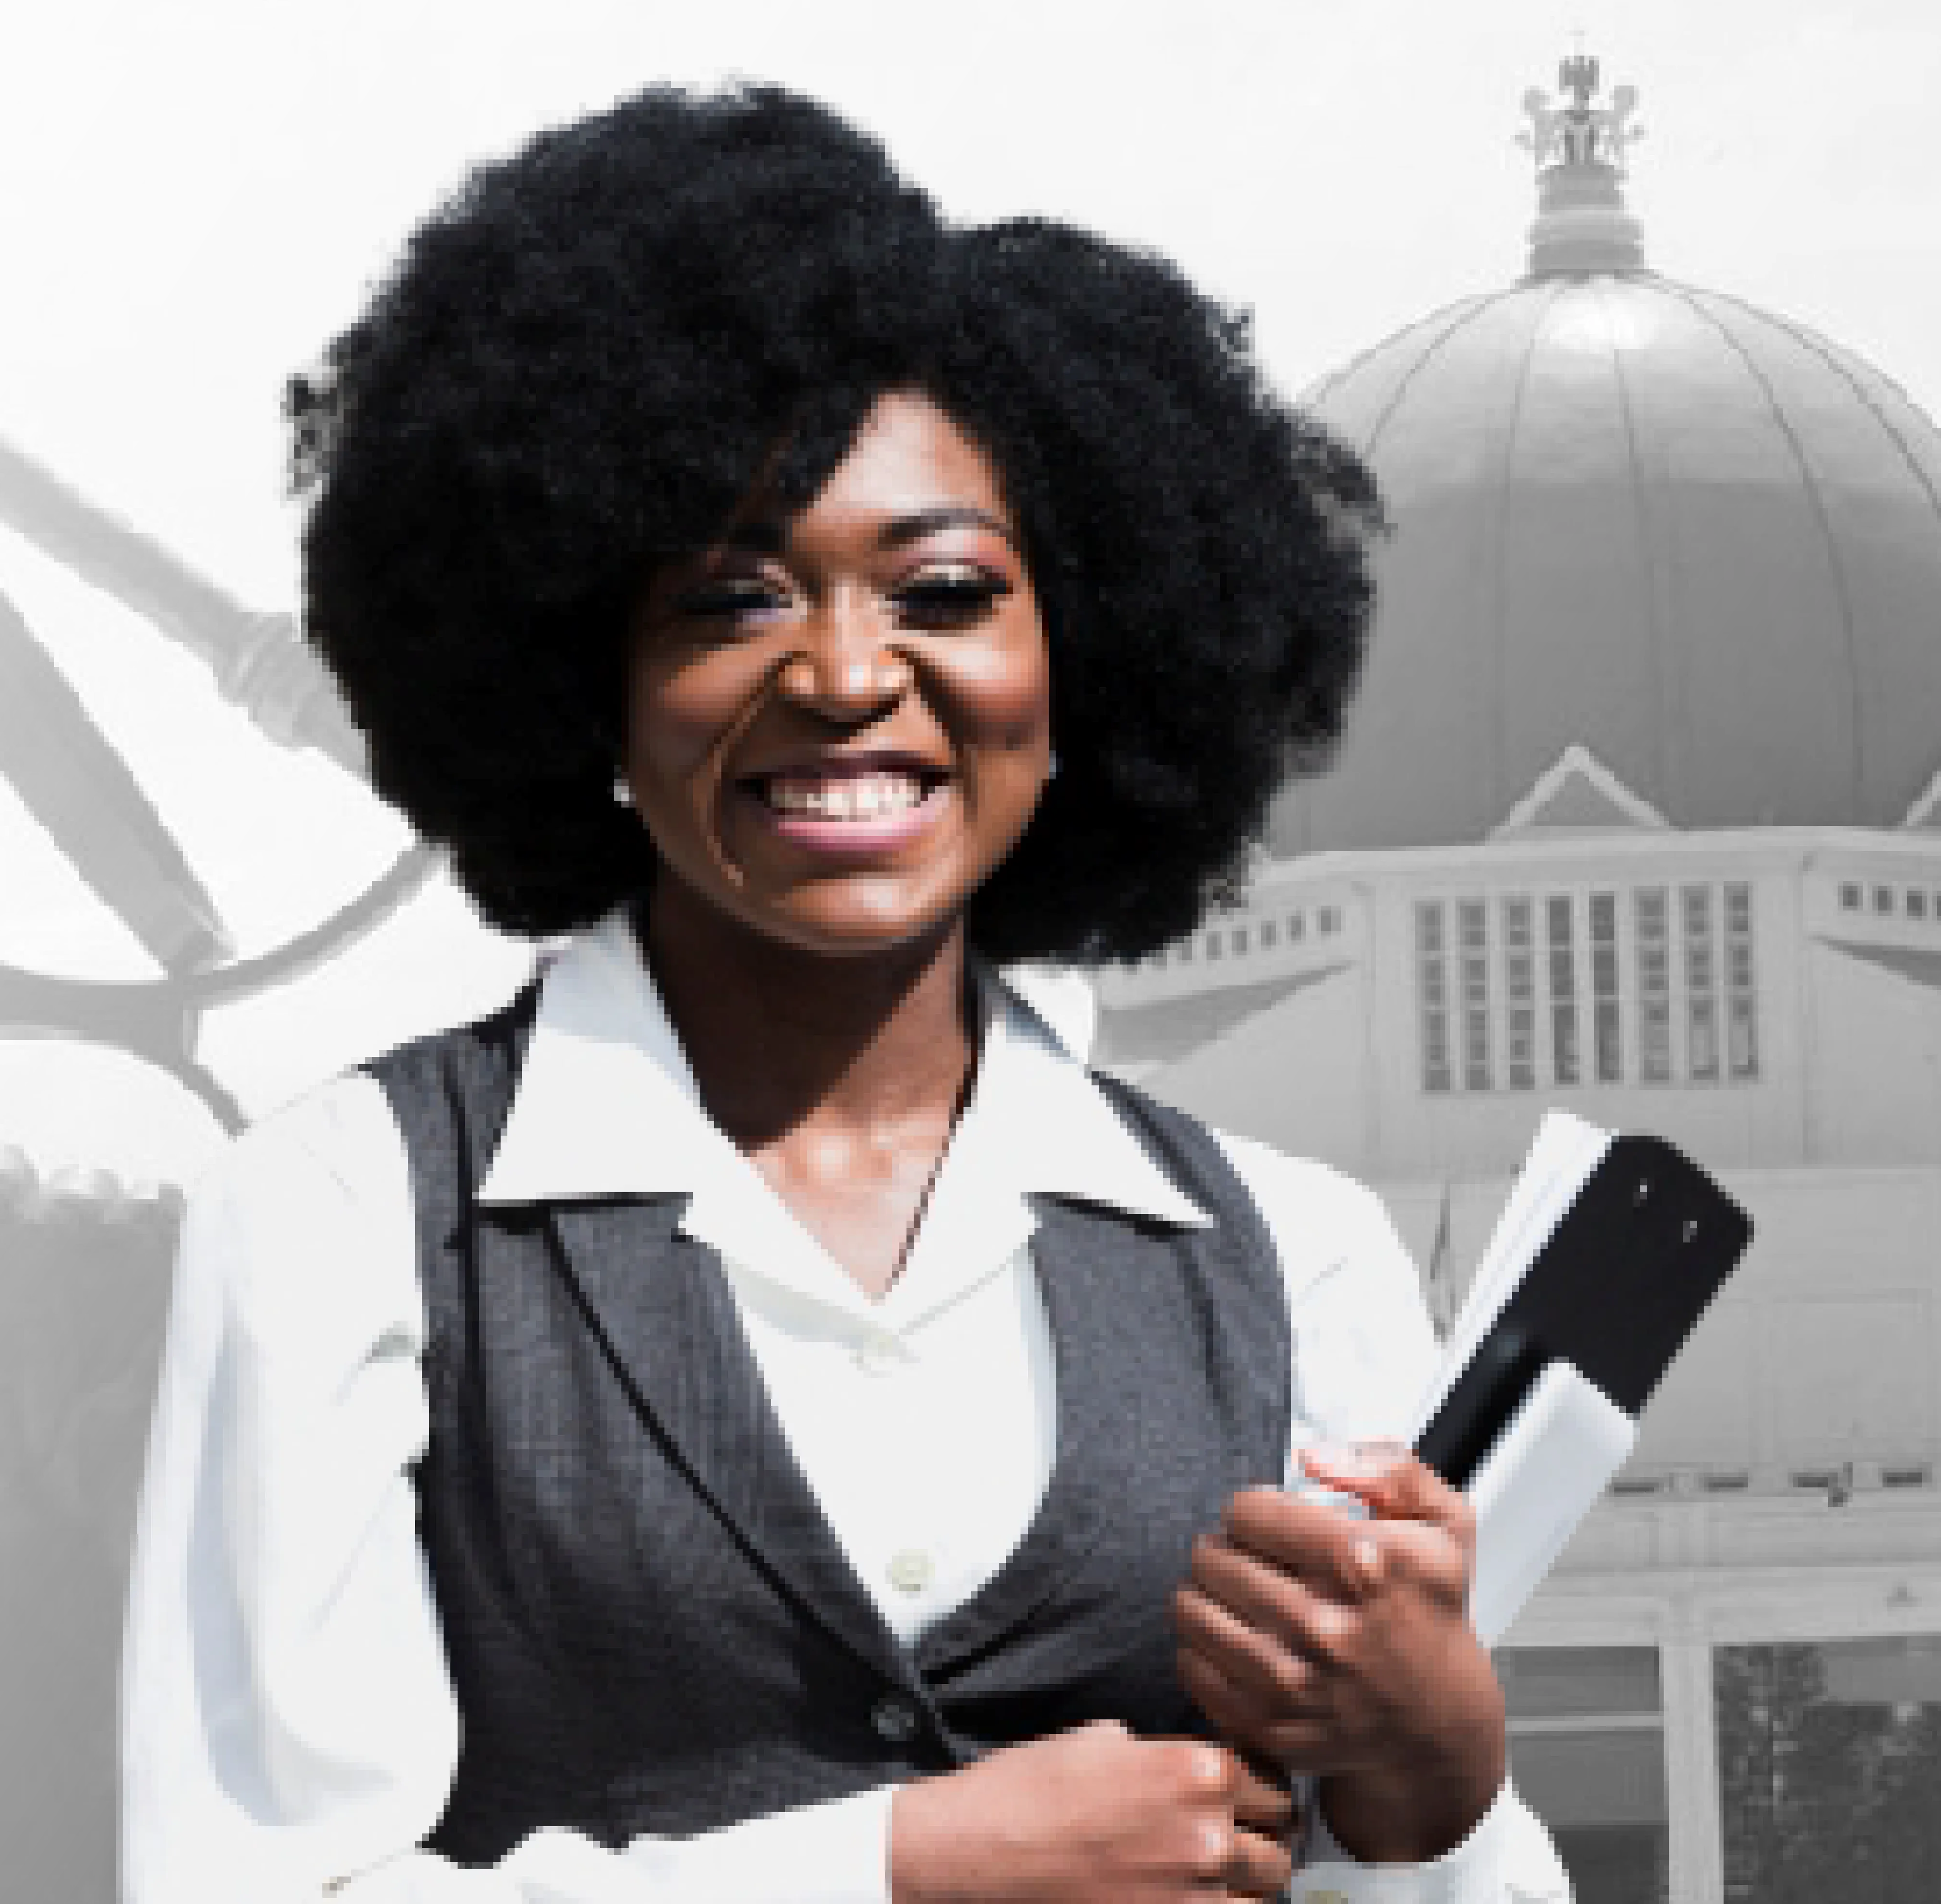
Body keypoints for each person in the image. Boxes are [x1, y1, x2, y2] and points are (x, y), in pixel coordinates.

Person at [114, 77, 1572, 1903]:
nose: (845, 674)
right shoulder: (341, 1225)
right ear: (586, 679)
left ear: (1084, 658)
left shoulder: (1300, 1263)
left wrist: (1434, 1792)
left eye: (945, 589)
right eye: (730, 600)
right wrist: (895, 1866)